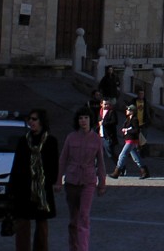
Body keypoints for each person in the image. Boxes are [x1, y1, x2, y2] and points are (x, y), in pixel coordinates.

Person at [54, 107, 107, 251]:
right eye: (80, 118)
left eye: (86, 118)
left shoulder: (96, 139)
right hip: (71, 181)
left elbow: (101, 163)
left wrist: (102, 183)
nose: (83, 121)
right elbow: (63, 160)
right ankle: (73, 247)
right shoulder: (71, 137)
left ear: (90, 120)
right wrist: (58, 181)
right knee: (73, 219)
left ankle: (83, 248)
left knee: (84, 216)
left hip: (88, 181)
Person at [7, 109, 58, 251]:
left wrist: (46, 183)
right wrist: (12, 188)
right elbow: (17, 166)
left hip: (42, 190)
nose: (31, 122)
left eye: (34, 119)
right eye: (29, 119)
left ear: (41, 121)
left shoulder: (50, 141)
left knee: (42, 226)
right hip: (23, 189)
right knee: (22, 224)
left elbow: (54, 166)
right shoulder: (23, 141)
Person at [111, 106, 148, 180]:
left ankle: (117, 172)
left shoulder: (134, 120)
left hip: (132, 140)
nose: (126, 110)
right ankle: (145, 172)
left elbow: (136, 130)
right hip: (128, 139)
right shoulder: (128, 119)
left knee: (122, 155)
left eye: (128, 109)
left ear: (132, 111)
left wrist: (127, 130)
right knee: (136, 157)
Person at [97, 100, 119, 170]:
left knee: (110, 154)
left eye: (108, 104)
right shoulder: (100, 112)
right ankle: (96, 169)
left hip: (108, 136)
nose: (106, 106)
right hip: (100, 135)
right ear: (101, 104)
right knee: (97, 153)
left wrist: (104, 123)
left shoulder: (111, 112)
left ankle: (120, 167)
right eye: (105, 104)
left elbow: (114, 122)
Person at [133, 88, 153, 155]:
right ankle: (134, 152)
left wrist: (150, 119)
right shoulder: (134, 102)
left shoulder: (146, 103)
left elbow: (151, 111)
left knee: (143, 139)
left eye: (142, 94)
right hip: (135, 123)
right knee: (135, 138)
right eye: (140, 94)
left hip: (144, 123)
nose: (141, 95)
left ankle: (142, 153)